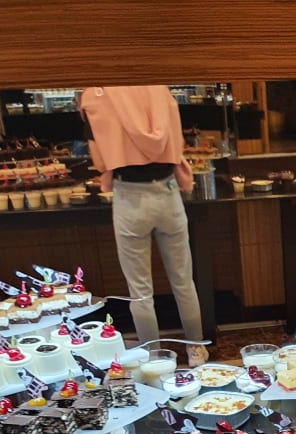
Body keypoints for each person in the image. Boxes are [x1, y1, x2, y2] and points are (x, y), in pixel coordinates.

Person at [80, 85, 208, 366]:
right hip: (167, 192)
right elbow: (176, 140)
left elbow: (99, 158)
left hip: (130, 197)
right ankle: (196, 350)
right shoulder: (159, 89)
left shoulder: (97, 94)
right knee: (184, 281)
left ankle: (154, 357)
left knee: (140, 292)